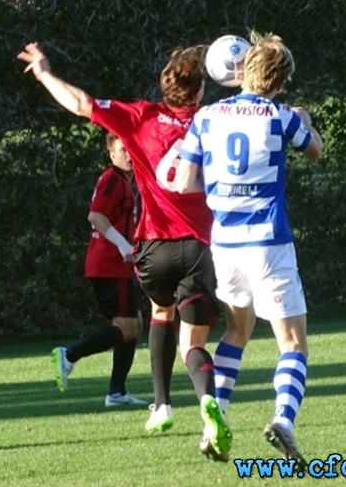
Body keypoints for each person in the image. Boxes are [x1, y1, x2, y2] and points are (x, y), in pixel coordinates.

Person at [18, 42, 232, 462]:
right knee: (194, 342)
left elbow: (80, 103)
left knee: (158, 313)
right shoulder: (214, 121)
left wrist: (44, 73)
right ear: (201, 90)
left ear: (164, 86)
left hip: (153, 246)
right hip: (201, 246)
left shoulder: (140, 117)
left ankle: (162, 405)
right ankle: (208, 401)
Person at [175, 31, 323, 472]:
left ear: (244, 72)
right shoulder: (281, 116)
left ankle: (212, 421)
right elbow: (315, 150)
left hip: (225, 246)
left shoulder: (206, 117)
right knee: (292, 342)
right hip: (268, 242)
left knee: (237, 332)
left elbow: (185, 181)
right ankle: (283, 420)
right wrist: (307, 119)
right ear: (280, 80)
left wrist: (221, 186)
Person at [51, 132, 147, 407]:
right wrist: (120, 245)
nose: (128, 155)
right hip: (108, 264)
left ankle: (116, 393)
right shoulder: (112, 180)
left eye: (131, 149)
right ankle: (69, 355)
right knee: (127, 327)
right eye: (122, 150)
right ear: (112, 155)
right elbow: (95, 215)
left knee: (135, 325)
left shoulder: (128, 182)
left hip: (117, 265)